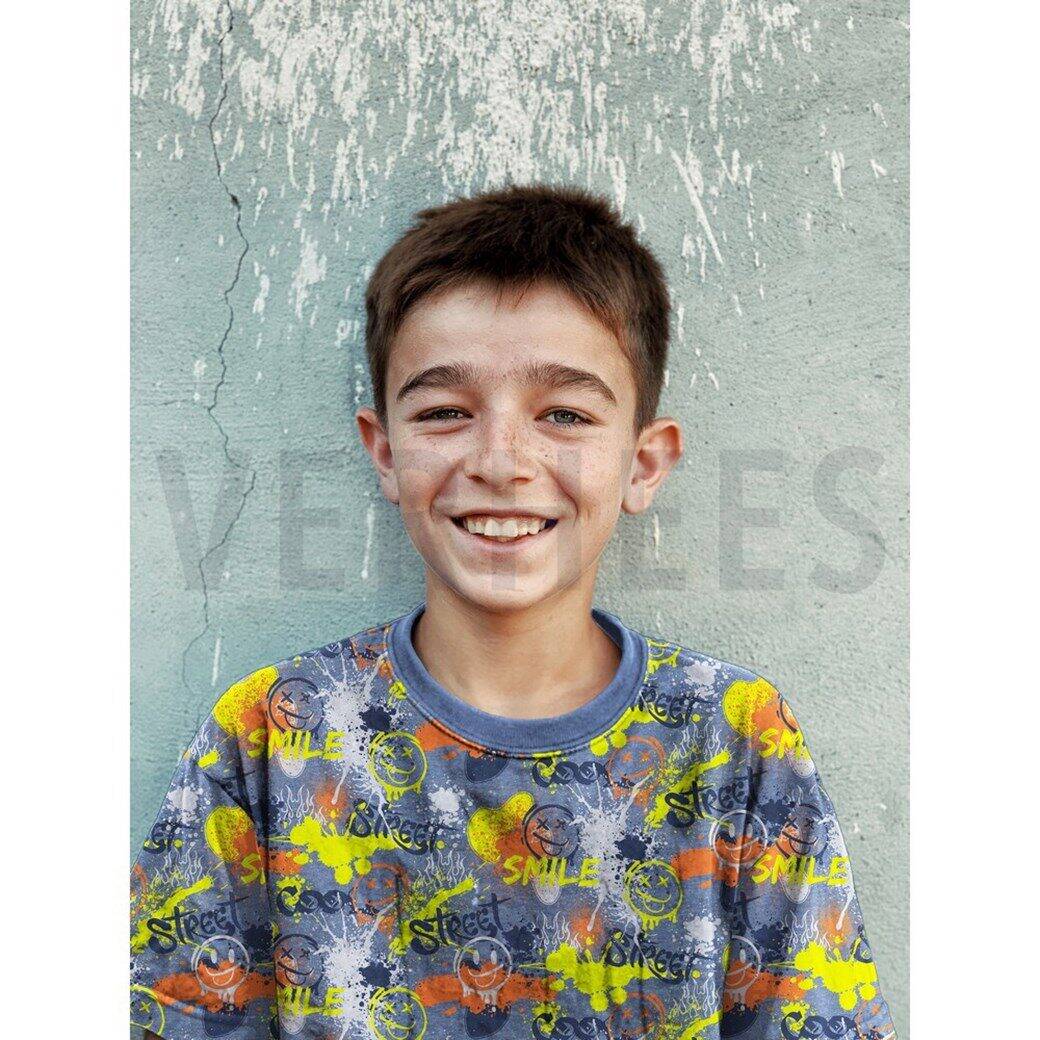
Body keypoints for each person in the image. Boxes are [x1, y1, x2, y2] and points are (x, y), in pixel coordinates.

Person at [130, 183, 897, 1040]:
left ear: (643, 464)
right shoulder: (272, 736)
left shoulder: (735, 741)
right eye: (444, 412)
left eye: (564, 414)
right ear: (384, 453)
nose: (502, 461)